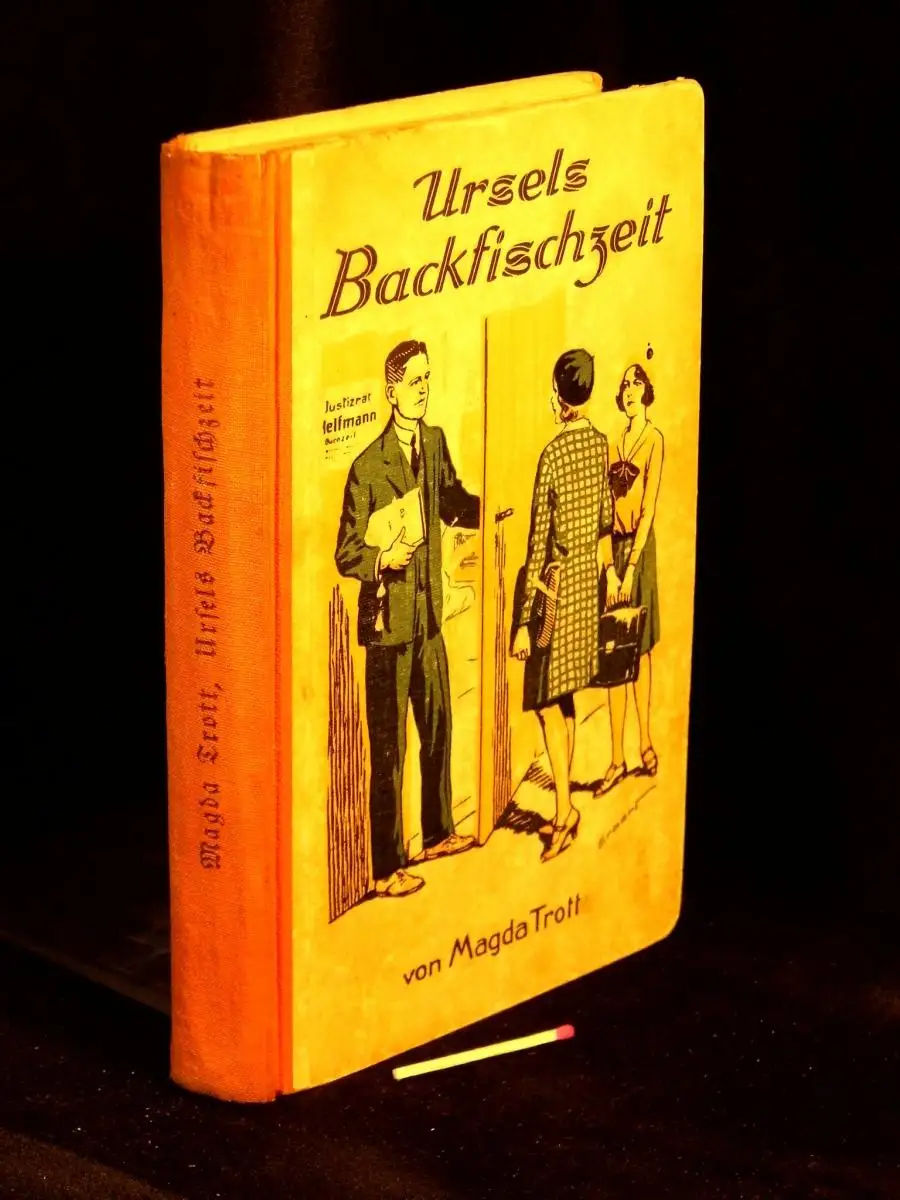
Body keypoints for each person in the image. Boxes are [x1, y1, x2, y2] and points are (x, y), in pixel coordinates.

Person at [335, 339, 480, 898]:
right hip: (387, 628)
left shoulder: (435, 441)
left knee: (439, 727)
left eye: (427, 378)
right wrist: (382, 559)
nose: (424, 389)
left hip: (429, 620)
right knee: (390, 749)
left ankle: (439, 833)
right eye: (414, 381)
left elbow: (453, 501)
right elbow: (346, 552)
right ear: (391, 391)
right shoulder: (367, 466)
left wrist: (489, 501)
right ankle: (387, 867)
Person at [511, 349, 619, 861]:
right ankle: (565, 805)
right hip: (584, 588)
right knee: (567, 694)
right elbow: (605, 517)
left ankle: (562, 813)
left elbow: (538, 541)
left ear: (560, 394)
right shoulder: (599, 445)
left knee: (546, 703)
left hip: (553, 591)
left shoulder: (553, 455)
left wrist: (523, 620)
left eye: (552, 391)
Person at [596, 362, 664, 795]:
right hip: (615, 550)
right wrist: (610, 568)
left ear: (646, 392)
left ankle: (645, 742)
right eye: (624, 385)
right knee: (613, 651)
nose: (629, 390)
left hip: (640, 551)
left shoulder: (654, 439)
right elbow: (605, 512)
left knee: (640, 648)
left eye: (636, 383)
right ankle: (617, 757)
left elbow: (650, 505)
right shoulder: (612, 442)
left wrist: (633, 566)